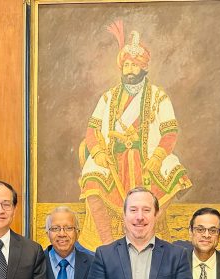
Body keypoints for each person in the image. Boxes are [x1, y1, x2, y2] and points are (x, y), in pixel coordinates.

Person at [78, 22, 192, 249]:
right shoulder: (108, 97)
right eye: (126, 64)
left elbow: (169, 132)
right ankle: (108, 244)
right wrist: (99, 153)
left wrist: (158, 156)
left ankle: (146, 237)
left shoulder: (158, 96)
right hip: (112, 157)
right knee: (91, 177)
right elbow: (92, 130)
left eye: (134, 65)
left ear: (143, 67)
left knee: (176, 173)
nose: (129, 69)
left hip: (148, 156)